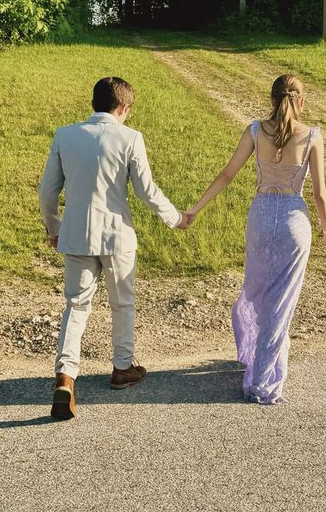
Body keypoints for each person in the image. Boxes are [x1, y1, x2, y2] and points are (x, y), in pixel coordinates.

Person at [39, 77, 189, 420]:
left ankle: (65, 376)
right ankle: (122, 367)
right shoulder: (130, 138)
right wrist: (176, 217)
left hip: (76, 236)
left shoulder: (65, 135)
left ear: (94, 103)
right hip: (117, 236)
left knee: (76, 306)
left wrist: (55, 227)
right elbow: (146, 191)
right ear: (123, 107)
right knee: (123, 303)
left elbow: (47, 191)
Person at [186, 74, 326, 404]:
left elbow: (226, 175)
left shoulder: (255, 130)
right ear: (301, 101)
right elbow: (319, 194)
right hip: (293, 221)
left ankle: (257, 358)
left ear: (272, 100)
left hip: (260, 217)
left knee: (257, 292)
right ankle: (264, 379)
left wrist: (195, 209)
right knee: (281, 301)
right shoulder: (313, 136)